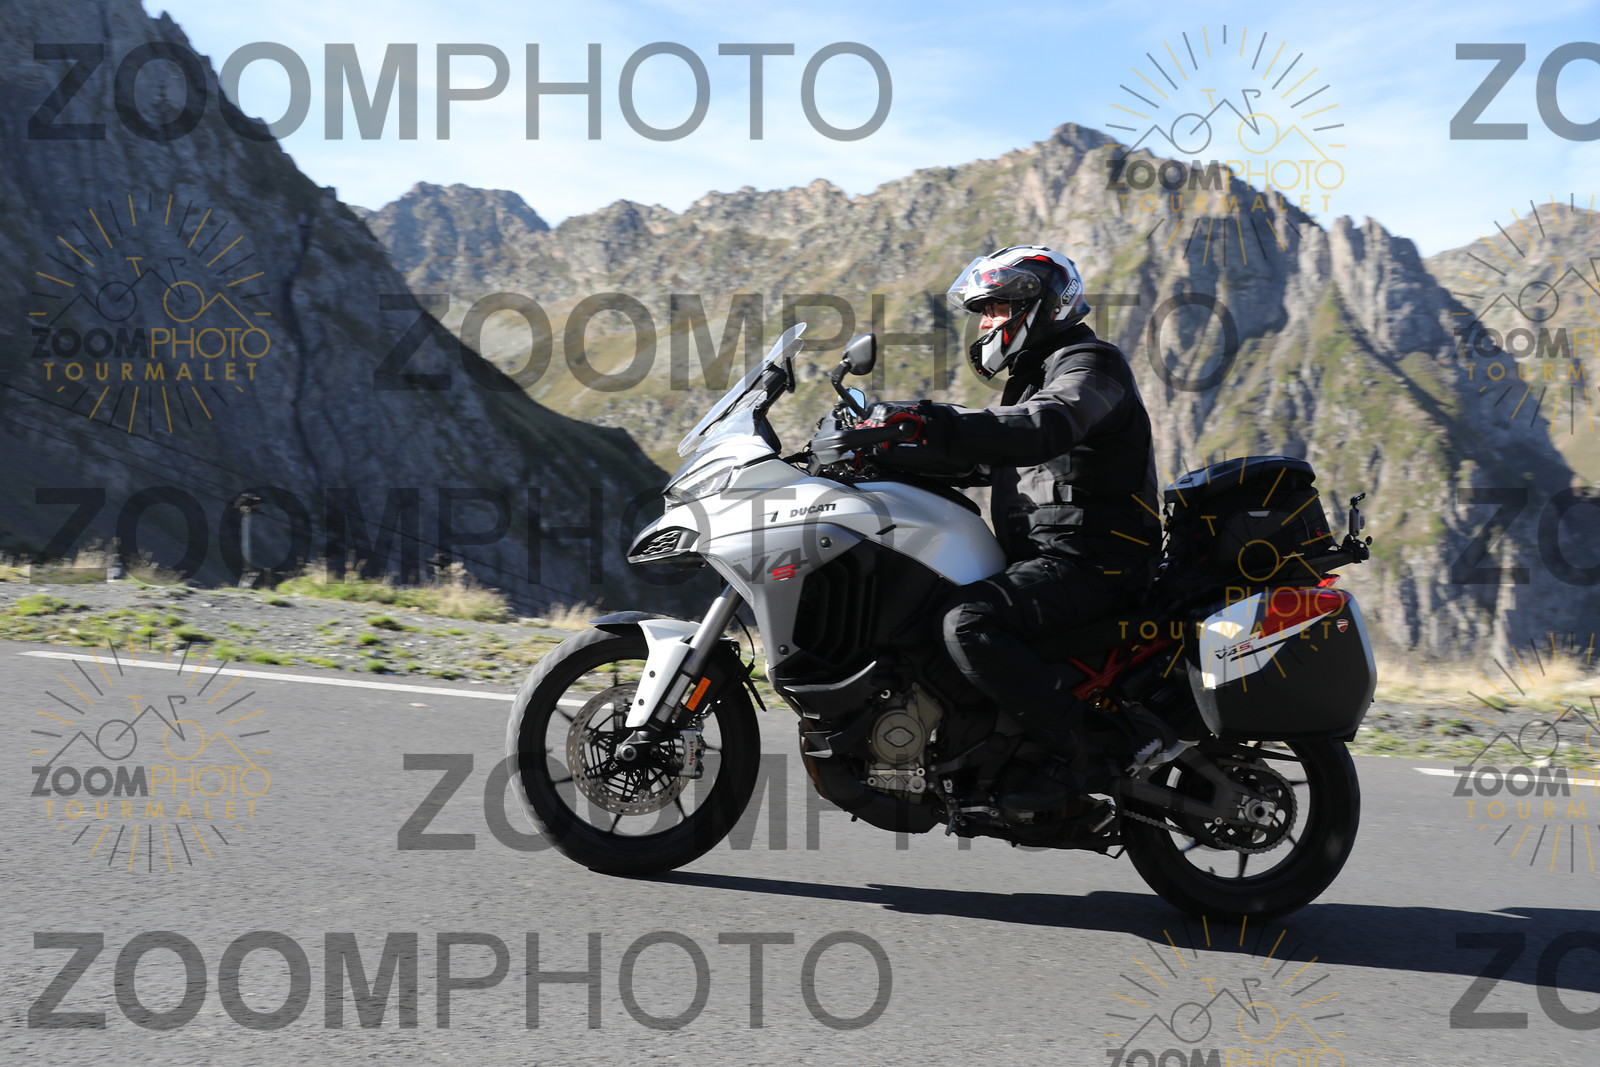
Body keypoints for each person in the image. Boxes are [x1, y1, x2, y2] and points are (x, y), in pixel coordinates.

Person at [875, 245, 1162, 814]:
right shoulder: (1033, 379)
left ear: (1044, 304)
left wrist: (932, 420)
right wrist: (883, 448)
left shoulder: (1091, 365)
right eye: (983, 311)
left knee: (968, 622)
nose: (986, 323)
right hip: (1050, 559)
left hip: (1096, 563)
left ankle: (1090, 750)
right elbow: (983, 457)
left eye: (997, 308)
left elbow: (1042, 426)